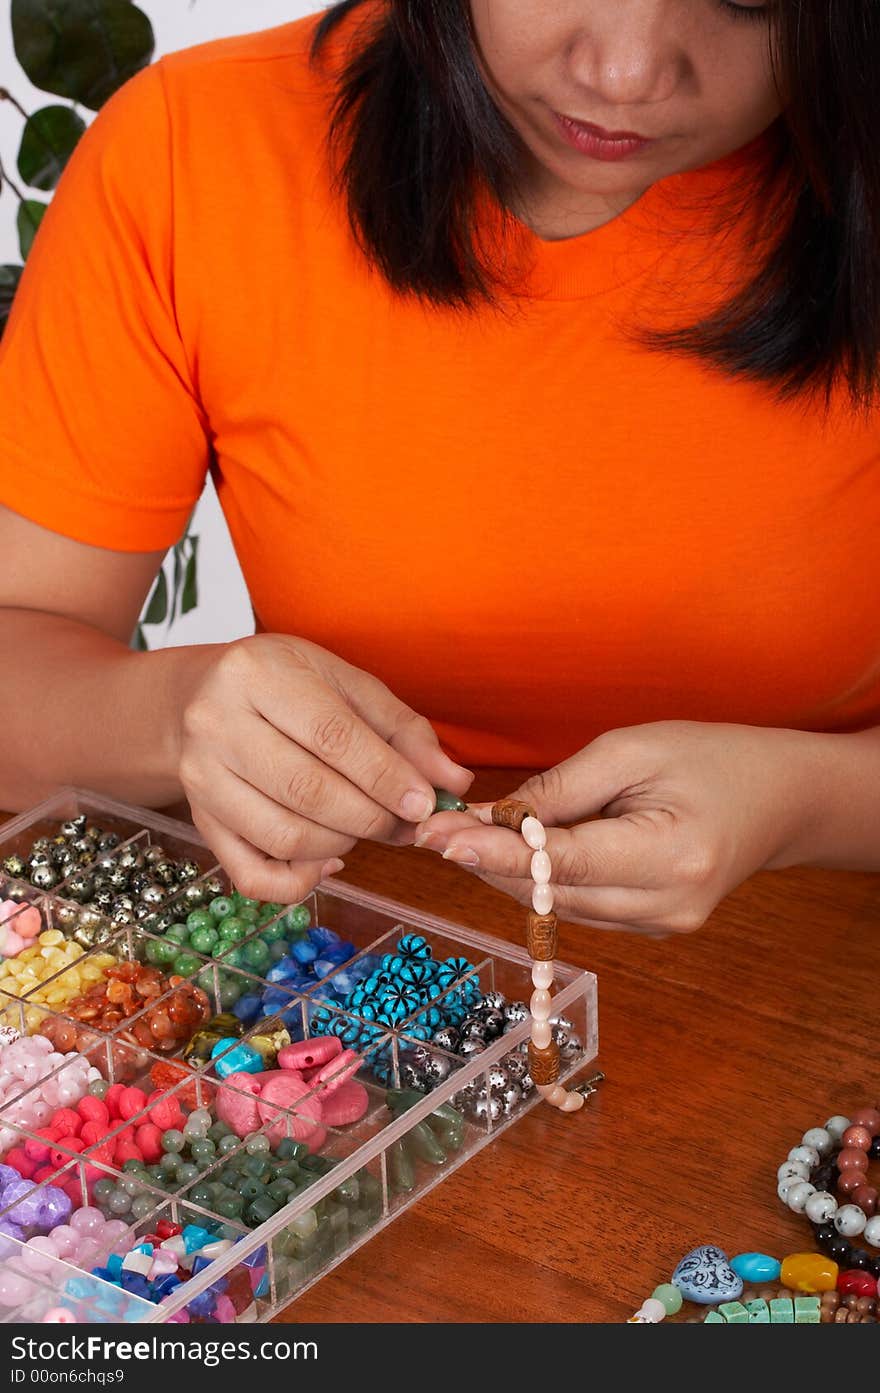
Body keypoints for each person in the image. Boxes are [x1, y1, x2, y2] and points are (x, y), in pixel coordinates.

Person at [0, 0, 877, 937]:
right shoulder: (199, 150)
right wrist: (173, 718)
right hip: (341, 954)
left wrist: (814, 801)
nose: (626, 74)